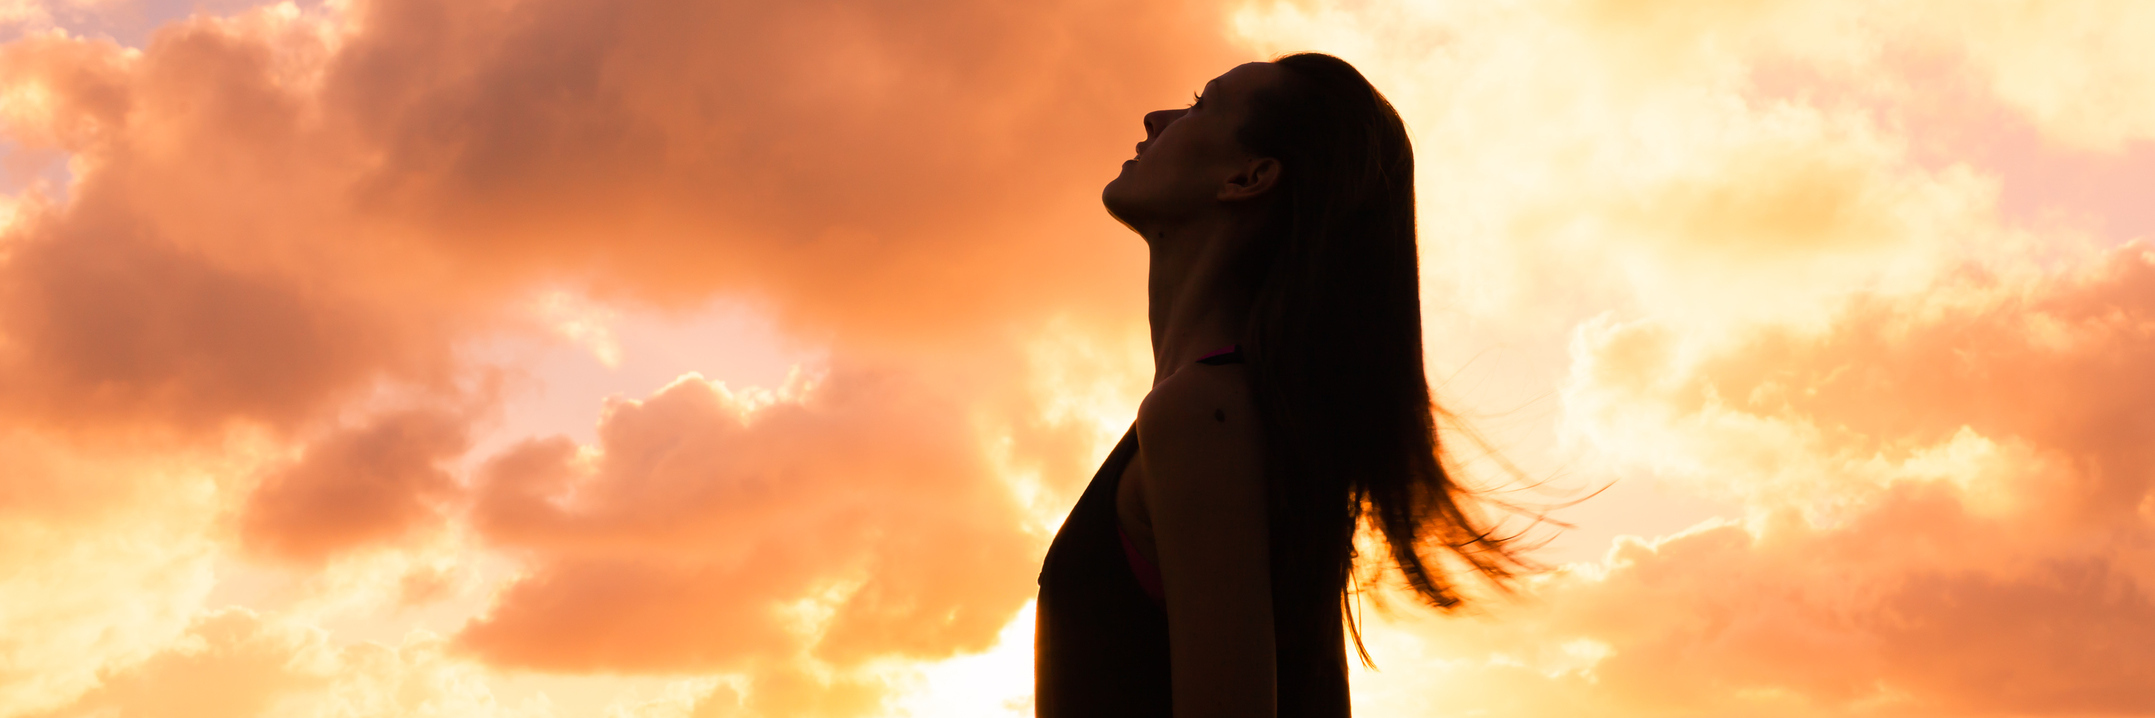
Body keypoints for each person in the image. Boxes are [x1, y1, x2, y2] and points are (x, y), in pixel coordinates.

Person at [1034, 53, 1524, 717]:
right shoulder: (1226, 411)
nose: (1156, 117)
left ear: (1247, 177)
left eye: (1201, 105)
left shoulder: (1205, 413)